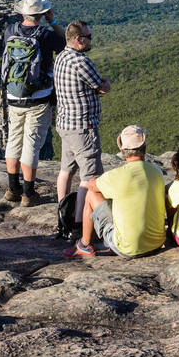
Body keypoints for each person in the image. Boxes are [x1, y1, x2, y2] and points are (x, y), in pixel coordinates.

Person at [1, 0, 65, 207]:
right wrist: (53, 21)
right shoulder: (45, 35)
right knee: (32, 143)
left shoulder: (10, 31)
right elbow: (68, 42)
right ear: (41, 14)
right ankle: (28, 193)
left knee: (14, 140)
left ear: (22, 13)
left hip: (13, 95)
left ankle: (12, 189)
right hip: (39, 98)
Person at [67, 125, 165, 258]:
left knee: (91, 195)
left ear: (122, 151)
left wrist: (97, 179)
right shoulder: (157, 172)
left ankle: (84, 244)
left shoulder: (116, 176)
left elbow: (91, 186)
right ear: (145, 148)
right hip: (157, 244)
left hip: (127, 249)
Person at [53, 20, 110, 234]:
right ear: (78, 40)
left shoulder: (61, 57)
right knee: (90, 177)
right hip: (83, 127)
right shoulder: (80, 61)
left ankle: (62, 219)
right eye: (88, 36)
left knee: (66, 170)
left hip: (66, 123)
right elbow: (100, 85)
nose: (90, 40)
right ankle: (78, 224)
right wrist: (106, 85)